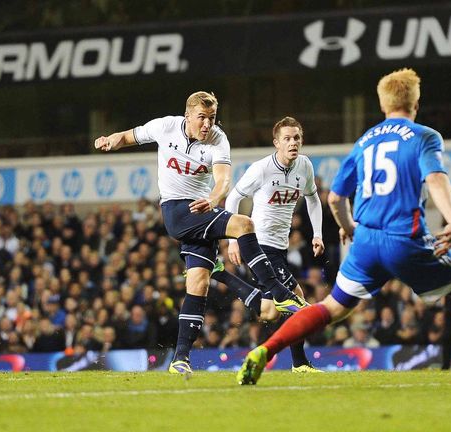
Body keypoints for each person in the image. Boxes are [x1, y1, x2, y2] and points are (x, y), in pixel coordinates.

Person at [238, 68, 451, 385]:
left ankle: (264, 350)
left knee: (330, 307)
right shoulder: (425, 136)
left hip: (366, 242)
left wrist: (348, 226)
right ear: (415, 103)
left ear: (384, 105)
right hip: (404, 240)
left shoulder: (364, 142)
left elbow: (335, 199)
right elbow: (436, 178)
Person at [93, 91, 307, 376]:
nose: (207, 124)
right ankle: (280, 294)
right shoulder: (165, 127)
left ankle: (179, 358)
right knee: (243, 225)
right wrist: (110, 140)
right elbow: (129, 136)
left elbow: (223, 179)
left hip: (203, 208)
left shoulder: (218, 139)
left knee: (198, 283)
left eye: (212, 118)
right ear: (187, 117)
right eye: (202, 118)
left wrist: (216, 198)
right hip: (177, 211)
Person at [223, 116, 325, 373]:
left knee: (269, 311)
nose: (293, 143)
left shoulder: (304, 166)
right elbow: (233, 199)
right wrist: (233, 240)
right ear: (276, 143)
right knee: (297, 299)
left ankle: (220, 275)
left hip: (280, 246)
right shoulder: (262, 169)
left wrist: (318, 234)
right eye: (287, 139)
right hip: (259, 244)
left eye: (297, 138)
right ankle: (300, 363)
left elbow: (313, 199)